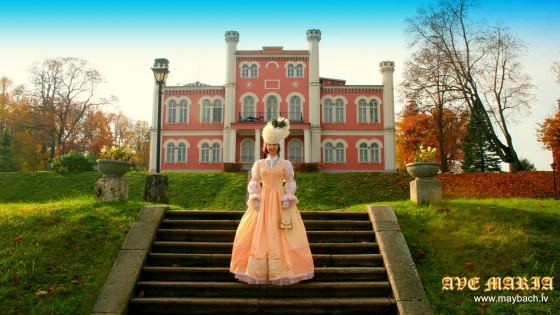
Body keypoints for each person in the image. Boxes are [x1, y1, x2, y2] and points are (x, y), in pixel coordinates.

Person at [230, 117, 314, 285]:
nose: (272, 147)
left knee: (283, 231)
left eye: (275, 144)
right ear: (265, 146)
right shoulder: (259, 164)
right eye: (269, 144)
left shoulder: (285, 164)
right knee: (259, 231)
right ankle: (259, 270)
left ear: (278, 146)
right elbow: (254, 181)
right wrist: (254, 197)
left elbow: (290, 181)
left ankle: (284, 269)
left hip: (280, 201)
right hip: (263, 200)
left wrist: (288, 196)